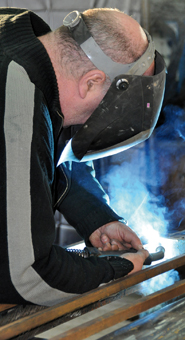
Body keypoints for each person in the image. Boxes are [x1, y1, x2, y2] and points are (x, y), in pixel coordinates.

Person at [0, 7, 165, 306]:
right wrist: (117, 268)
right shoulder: (17, 97)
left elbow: (46, 151)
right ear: (90, 82)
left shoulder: (26, 46)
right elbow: (24, 276)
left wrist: (97, 218)